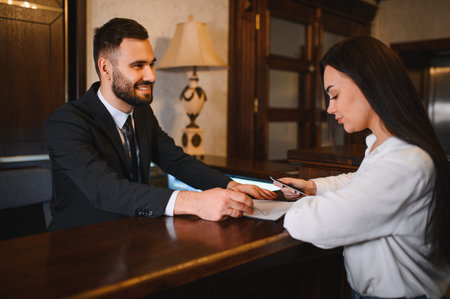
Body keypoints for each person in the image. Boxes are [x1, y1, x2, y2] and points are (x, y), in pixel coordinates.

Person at [44, 18, 276, 231]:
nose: (152, 76)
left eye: (151, 64)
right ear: (106, 68)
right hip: (80, 245)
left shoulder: (142, 112)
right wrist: (195, 202)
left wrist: (229, 185)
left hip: (136, 237)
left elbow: (175, 160)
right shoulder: (65, 123)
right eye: (138, 66)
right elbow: (106, 190)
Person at [275, 36, 449, 298]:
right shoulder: (387, 146)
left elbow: (316, 223)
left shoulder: (406, 162)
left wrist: (280, 208)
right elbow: (364, 181)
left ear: (369, 82)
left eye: (334, 94)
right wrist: (313, 187)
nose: (330, 107)